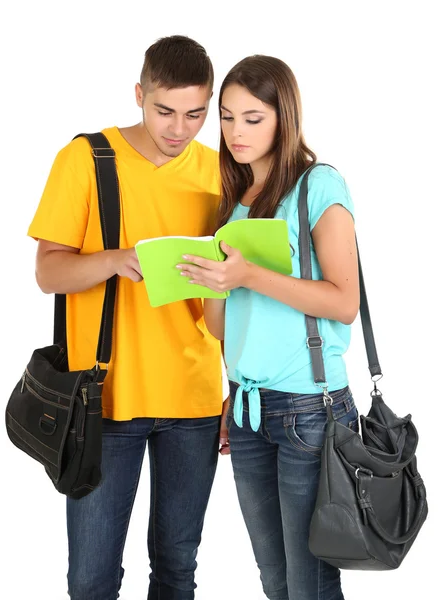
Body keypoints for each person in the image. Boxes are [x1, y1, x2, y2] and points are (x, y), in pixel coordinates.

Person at [28, 35, 227, 600]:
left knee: (177, 570)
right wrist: (116, 259)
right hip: (103, 399)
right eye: (165, 110)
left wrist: (233, 387)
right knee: (92, 580)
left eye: (195, 113)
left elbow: (231, 304)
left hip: (193, 398)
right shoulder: (87, 159)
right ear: (139, 94)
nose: (179, 128)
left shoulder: (221, 173)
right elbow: (48, 275)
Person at [177, 55, 360, 600]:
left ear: (285, 117)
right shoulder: (233, 205)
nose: (236, 132)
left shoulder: (318, 186)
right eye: (227, 118)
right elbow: (222, 327)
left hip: (310, 408)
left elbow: (344, 302)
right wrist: (210, 282)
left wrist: (250, 273)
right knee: (276, 579)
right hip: (250, 409)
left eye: (252, 119)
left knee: (310, 582)